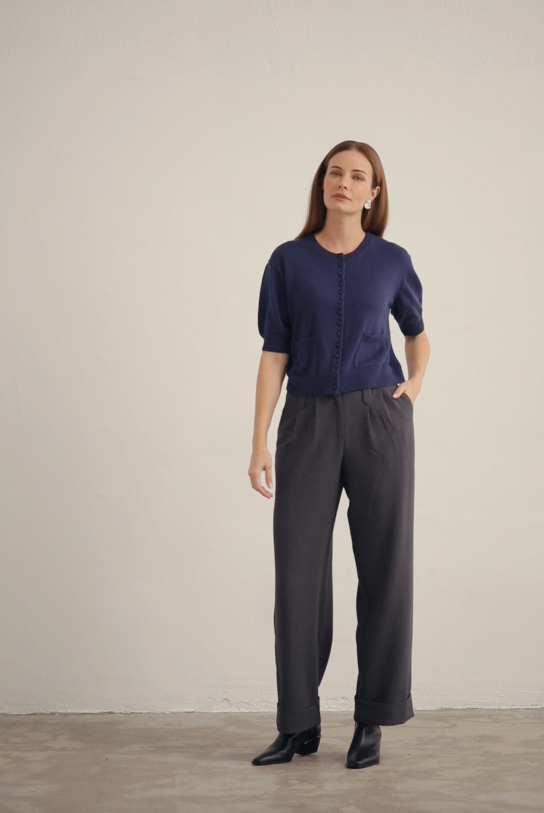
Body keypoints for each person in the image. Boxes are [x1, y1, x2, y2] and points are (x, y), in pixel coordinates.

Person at [248, 140, 430, 769]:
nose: (343, 183)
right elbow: (274, 352)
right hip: (307, 421)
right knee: (297, 572)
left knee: (385, 566)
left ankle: (373, 718)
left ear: (373, 193)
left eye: (357, 176)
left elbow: (417, 333)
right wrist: (259, 440)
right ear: (321, 183)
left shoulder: (393, 261)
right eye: (334, 173)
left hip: (380, 419)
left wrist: (411, 389)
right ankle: (298, 723)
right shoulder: (287, 260)